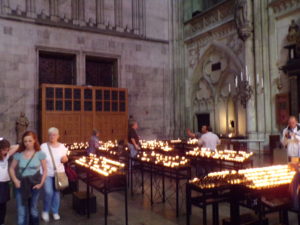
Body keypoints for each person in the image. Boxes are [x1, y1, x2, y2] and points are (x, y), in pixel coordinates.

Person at [9, 131, 47, 225]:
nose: (27, 143)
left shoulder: (40, 153)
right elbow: (11, 168)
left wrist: (41, 183)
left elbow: (45, 170)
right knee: (21, 210)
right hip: (21, 184)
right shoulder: (19, 154)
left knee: (33, 209)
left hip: (35, 184)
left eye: (30, 141)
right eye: (25, 141)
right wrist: (15, 180)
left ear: (34, 140)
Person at [40, 127, 68, 222]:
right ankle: (45, 211)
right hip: (47, 174)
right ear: (48, 136)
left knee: (56, 194)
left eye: (54, 135)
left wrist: (65, 159)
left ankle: (55, 211)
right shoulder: (43, 146)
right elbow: (40, 159)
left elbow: (65, 158)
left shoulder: (62, 146)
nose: (52, 136)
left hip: (59, 174)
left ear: (58, 136)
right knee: (48, 192)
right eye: (50, 135)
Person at [0, 138, 18, 225]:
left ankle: (2, 221)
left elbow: (17, 146)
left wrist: (8, 147)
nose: (5, 152)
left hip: (4, 182)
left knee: (3, 204)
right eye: (3, 150)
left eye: (7, 150)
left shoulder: (6, 156)